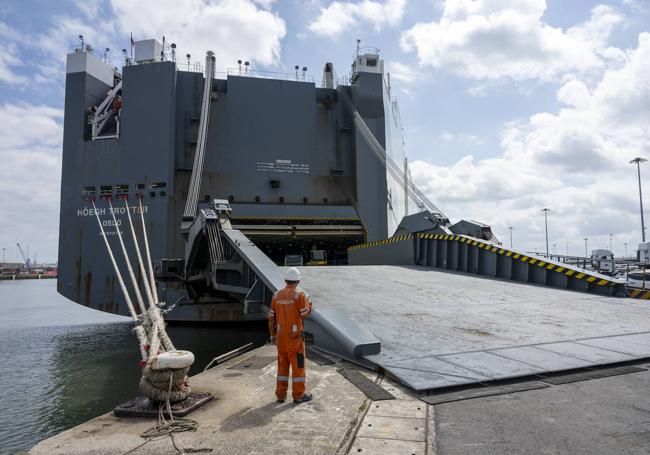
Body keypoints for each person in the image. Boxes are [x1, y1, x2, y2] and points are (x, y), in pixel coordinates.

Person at [268, 267, 313, 404]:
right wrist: (309, 306)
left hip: (281, 339)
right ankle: (298, 395)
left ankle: (281, 395)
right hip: (295, 339)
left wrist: (273, 336)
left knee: (282, 366)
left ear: (285, 280)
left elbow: (271, 318)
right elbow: (305, 314)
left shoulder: (276, 296)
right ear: (298, 281)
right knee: (298, 367)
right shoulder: (299, 295)